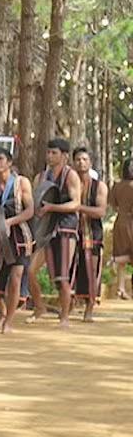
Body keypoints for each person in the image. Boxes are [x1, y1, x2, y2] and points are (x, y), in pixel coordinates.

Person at [27, 138, 81, 327]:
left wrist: (53, 207)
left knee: (62, 276)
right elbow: (35, 203)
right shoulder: (40, 178)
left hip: (65, 228)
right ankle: (39, 306)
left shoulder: (70, 175)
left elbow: (76, 203)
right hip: (46, 230)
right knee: (30, 270)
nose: (50, 156)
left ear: (64, 156)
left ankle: (64, 316)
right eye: (48, 152)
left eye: (54, 153)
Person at [0, 148, 34, 334]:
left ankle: (8, 321)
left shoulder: (22, 183)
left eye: (0, 159)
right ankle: (3, 313)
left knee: (15, 278)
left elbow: (29, 210)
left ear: (9, 162)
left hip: (20, 237)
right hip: (0, 238)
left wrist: (10, 222)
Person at [72, 147, 107, 322]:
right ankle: (69, 304)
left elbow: (100, 211)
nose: (81, 162)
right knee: (71, 269)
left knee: (91, 270)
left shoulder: (99, 186)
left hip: (92, 233)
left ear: (90, 163)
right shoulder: (69, 184)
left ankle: (89, 308)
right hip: (71, 232)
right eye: (78, 159)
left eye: (84, 159)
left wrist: (78, 208)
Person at [109, 158, 133, 299]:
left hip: (120, 221)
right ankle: (113, 260)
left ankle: (121, 288)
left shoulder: (116, 186)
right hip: (130, 221)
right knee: (129, 253)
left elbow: (113, 205)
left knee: (122, 251)